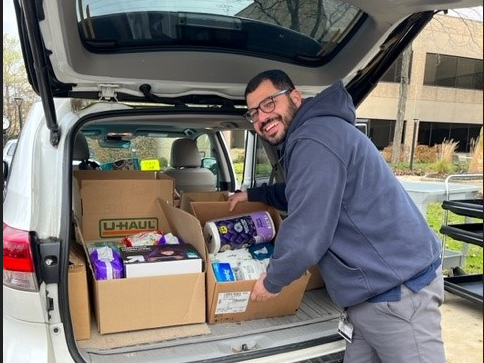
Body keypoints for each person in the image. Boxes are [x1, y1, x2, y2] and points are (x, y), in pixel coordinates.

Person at [228, 69, 445, 363]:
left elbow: (306, 231)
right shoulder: (313, 135)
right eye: (253, 113)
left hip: (399, 294)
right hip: (368, 299)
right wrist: (253, 195)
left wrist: (271, 281)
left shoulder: (314, 138)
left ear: (294, 97)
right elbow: (299, 191)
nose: (261, 118)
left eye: (269, 104)